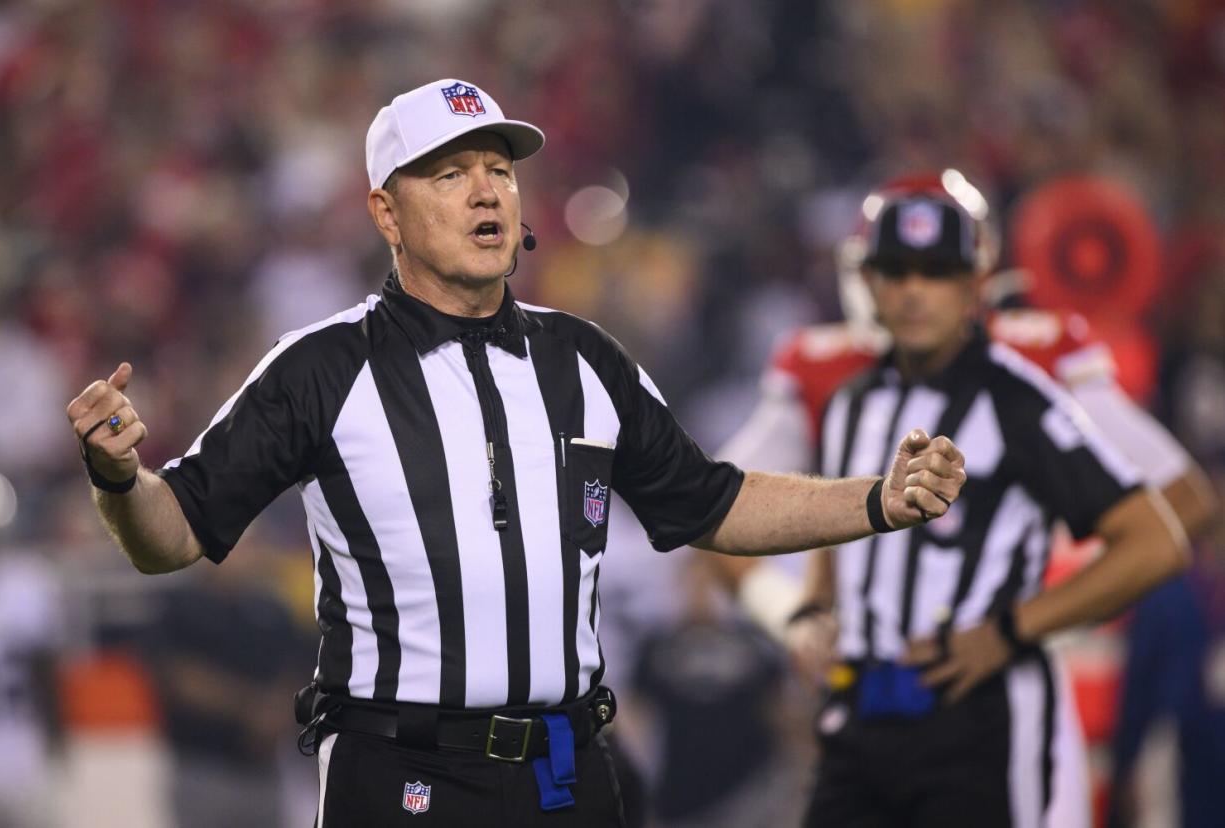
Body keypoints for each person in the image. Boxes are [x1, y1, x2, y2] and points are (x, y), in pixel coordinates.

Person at [64, 80, 968, 827]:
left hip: (565, 772)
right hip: (399, 774)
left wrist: (877, 500)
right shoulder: (321, 369)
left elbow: (714, 504)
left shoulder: (585, 358)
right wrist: (117, 476)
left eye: (499, 169)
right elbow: (173, 534)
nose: (488, 190)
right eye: (451, 173)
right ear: (387, 210)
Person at [713, 174, 1195, 828]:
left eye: (937, 271)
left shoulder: (1019, 393)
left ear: (976, 282)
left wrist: (1018, 629)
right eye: (896, 269)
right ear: (867, 280)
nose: (914, 290)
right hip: (859, 715)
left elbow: (1164, 531)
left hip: (980, 713)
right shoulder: (848, 398)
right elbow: (759, 518)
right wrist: (802, 614)